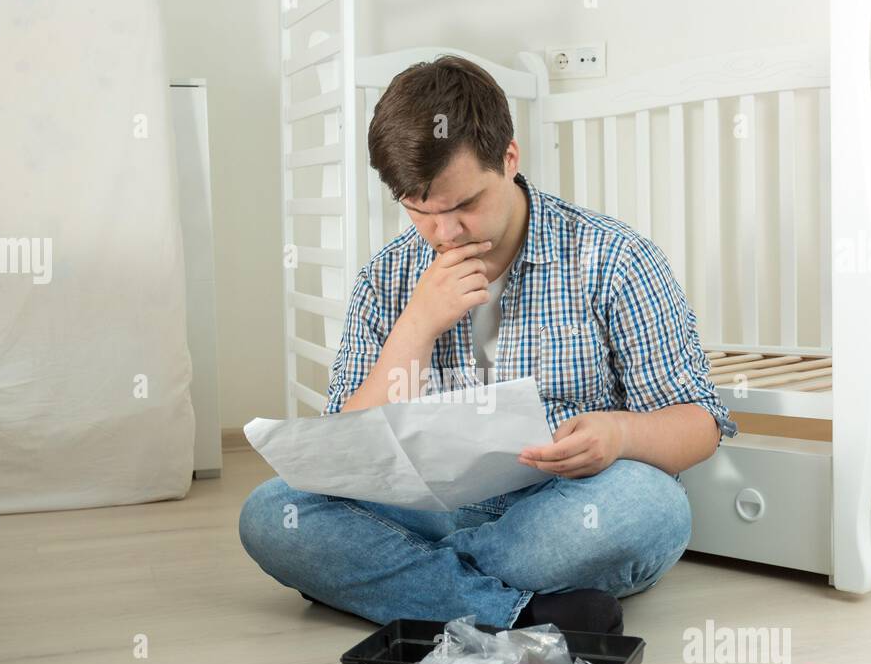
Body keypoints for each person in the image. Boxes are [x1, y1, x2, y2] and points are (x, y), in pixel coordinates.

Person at [239, 55, 736, 634]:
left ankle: (412, 586)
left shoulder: (614, 258)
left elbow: (700, 424)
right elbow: (343, 452)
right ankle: (519, 610)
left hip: (561, 509)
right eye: (420, 212)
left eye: (463, 206)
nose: (444, 233)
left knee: (650, 508)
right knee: (272, 513)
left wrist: (620, 433)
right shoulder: (388, 277)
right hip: (423, 513)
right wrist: (418, 323)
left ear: (509, 159)